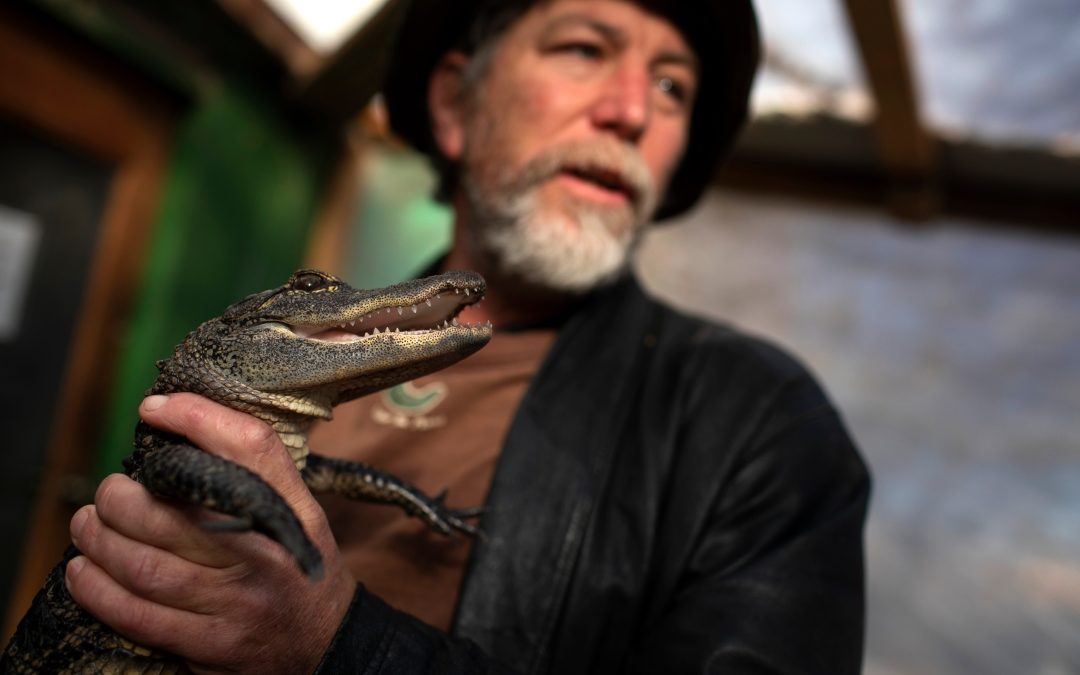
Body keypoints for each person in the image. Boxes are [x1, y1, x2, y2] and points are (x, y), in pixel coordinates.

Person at [64, 0, 871, 673]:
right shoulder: (280, 347)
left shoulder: (762, 424)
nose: (631, 110)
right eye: (586, 48)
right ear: (455, 104)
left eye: (672, 87)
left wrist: (341, 645)